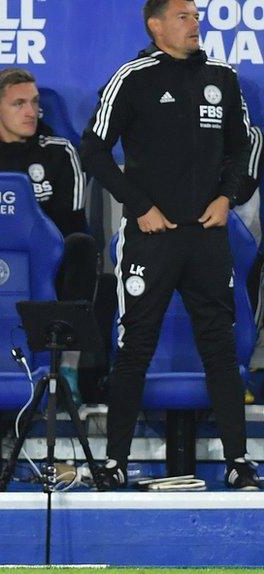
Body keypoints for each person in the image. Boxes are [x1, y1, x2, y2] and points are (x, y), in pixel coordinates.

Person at [79, 0, 261, 490]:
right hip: (150, 238)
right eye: (183, 16)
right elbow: (92, 149)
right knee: (135, 346)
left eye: (197, 15)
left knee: (220, 348)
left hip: (207, 237)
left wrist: (229, 197)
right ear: (155, 25)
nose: (194, 23)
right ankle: (115, 461)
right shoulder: (132, 77)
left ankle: (238, 462)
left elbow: (245, 146)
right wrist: (138, 206)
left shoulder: (222, 77)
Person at [0, 67, 102, 402]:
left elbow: (70, 222)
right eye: (19, 104)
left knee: (82, 247)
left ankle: (68, 369)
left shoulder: (61, 153)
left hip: (46, 263)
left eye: (34, 103)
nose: (31, 111)